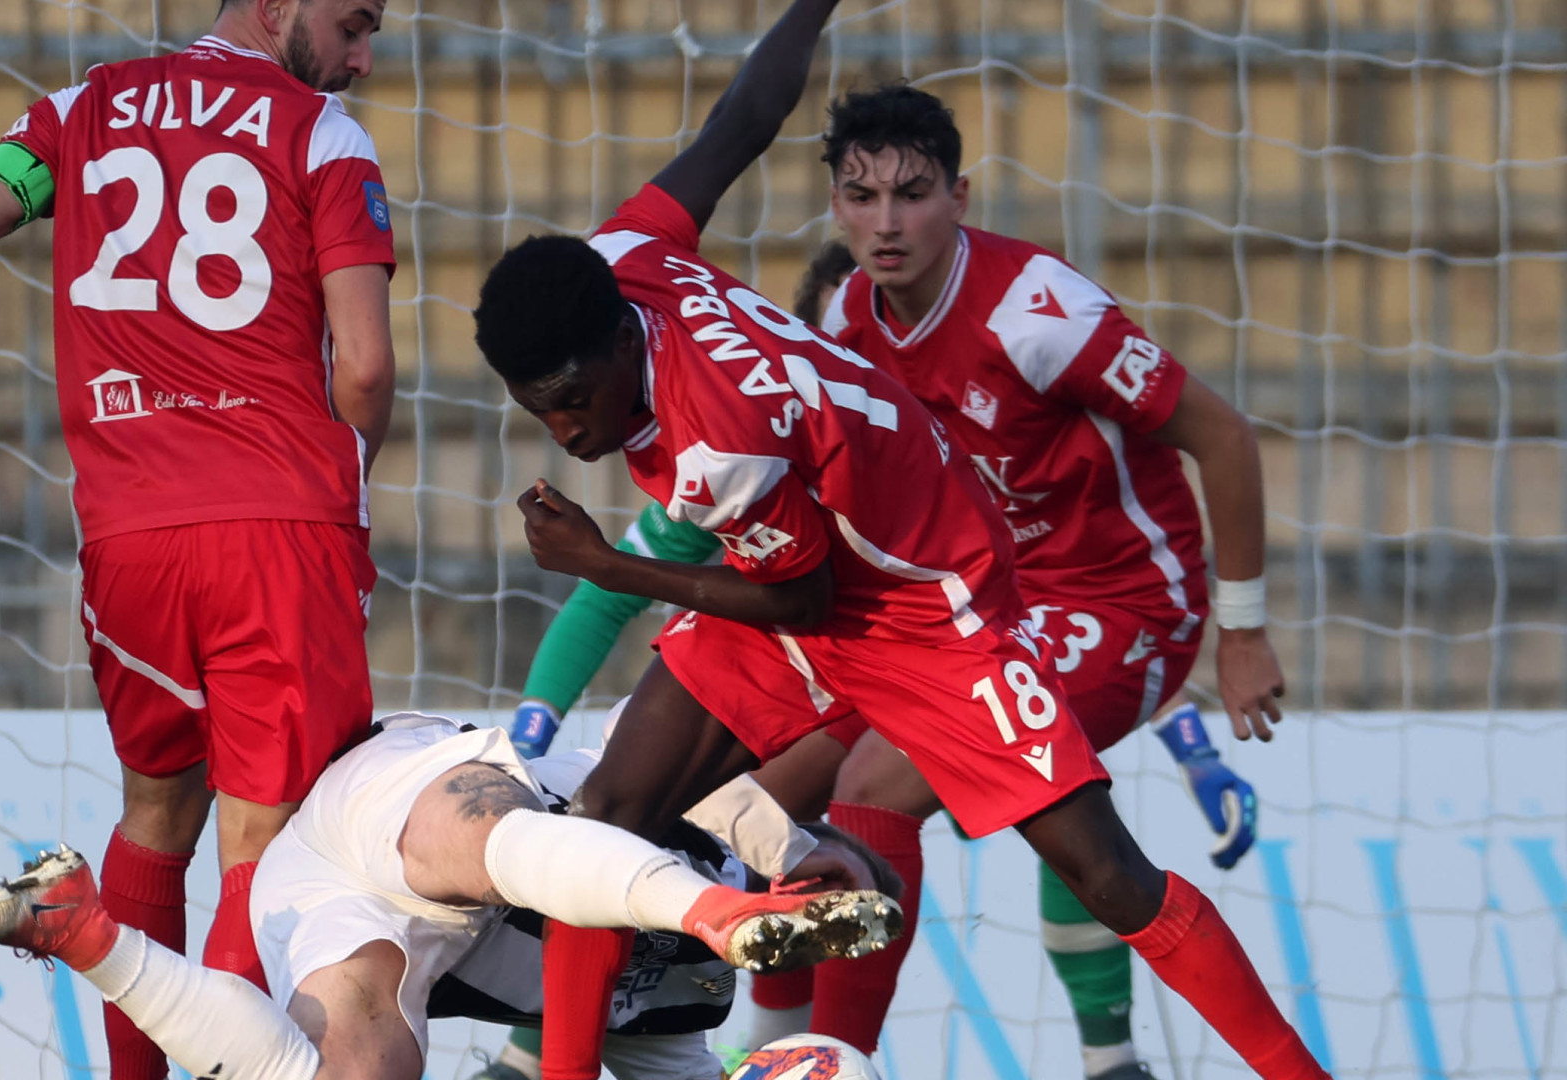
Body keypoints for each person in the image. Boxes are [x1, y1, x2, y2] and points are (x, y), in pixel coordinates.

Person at [469, 0, 1328, 1076]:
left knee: (1094, 867)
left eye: (570, 402)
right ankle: (689, 1047)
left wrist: (603, 564)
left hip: (955, 609)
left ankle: (1223, 1065)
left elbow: (801, 602)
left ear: (957, 199)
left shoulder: (759, 418)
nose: (563, 432)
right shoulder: (639, 259)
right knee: (613, 816)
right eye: (861, 197)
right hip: (839, 578)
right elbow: (742, 120)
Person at [0, 0, 397, 1074]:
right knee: (260, 855)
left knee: (155, 817)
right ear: (275, 6)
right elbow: (361, 367)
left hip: (127, 542)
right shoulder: (321, 135)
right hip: (276, 534)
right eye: (354, 25)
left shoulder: (76, 116)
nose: (361, 59)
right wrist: (348, 482)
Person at [799, 84, 1278, 1075]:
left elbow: (1223, 437)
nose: (887, 223)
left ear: (960, 195)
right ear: (836, 204)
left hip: (1126, 602)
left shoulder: (1037, 312)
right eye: (862, 196)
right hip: (984, 610)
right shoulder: (847, 315)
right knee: (783, 778)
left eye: (913, 193)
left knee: (875, 785)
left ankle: (832, 1056)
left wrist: (1242, 632)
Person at [0, 709, 902, 1080]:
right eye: (831, 916)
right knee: (494, 843)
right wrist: (795, 845)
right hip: (410, 798)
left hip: (364, 905)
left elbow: (672, 1068)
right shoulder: (739, 815)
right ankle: (714, 916)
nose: (829, 929)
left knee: (352, 1076)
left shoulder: (688, 1023)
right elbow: (589, 919)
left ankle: (84, 932)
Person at [481, 240, 862, 1080]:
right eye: (835, 334)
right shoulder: (745, 455)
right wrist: (531, 734)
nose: (849, 352)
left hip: (897, 663)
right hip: (789, 695)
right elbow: (605, 596)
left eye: (865, 336)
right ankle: (568, 1047)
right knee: (637, 810)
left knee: (833, 814)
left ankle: (770, 1043)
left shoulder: (912, 448)